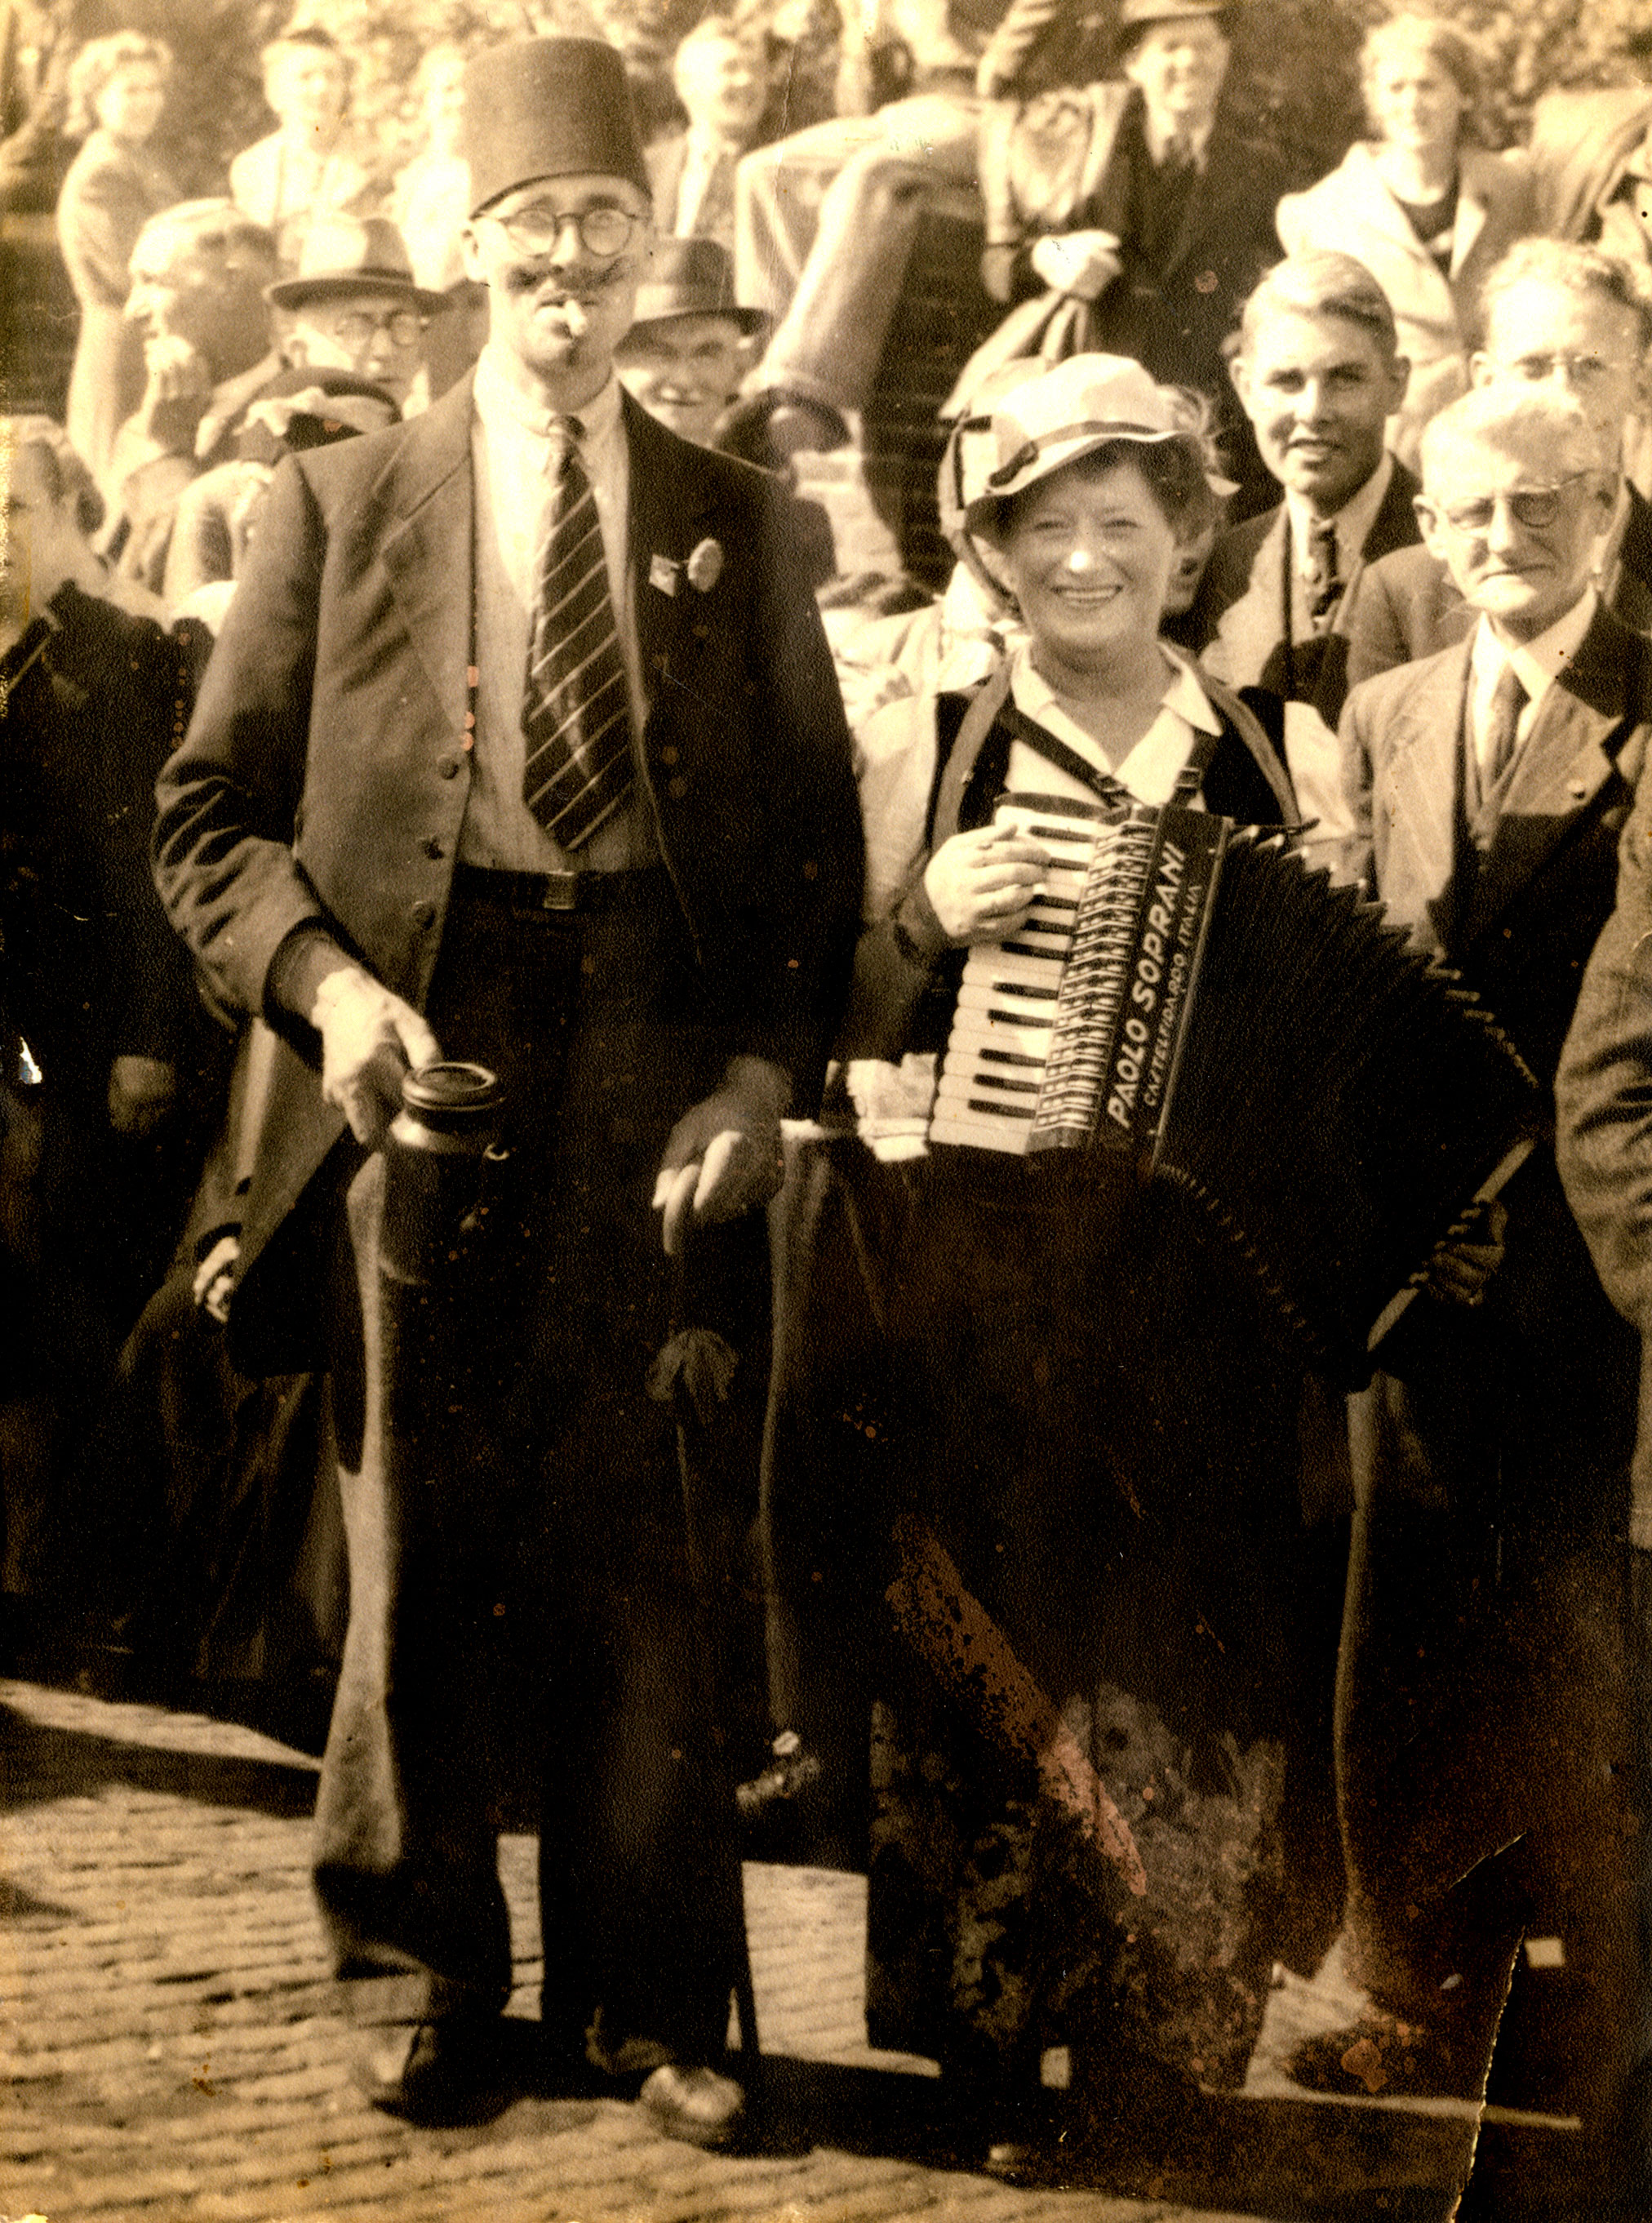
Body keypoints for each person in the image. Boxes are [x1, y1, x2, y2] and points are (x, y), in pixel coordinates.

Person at [152, 33, 863, 2150]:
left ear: (651, 250)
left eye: (602, 229)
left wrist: (754, 1067)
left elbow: (818, 853)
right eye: (527, 232)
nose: (566, 265)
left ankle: (656, 2005)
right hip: (415, 1035)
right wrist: (330, 991)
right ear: (467, 255)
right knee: (417, 1515)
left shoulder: (743, 519)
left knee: (637, 1520)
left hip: (648, 1031)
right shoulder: (340, 498)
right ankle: (422, 1969)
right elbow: (204, 816)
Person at [766, 354, 1339, 2172]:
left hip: (1201, 1280)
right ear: (993, 553)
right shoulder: (918, 742)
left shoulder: (1275, 748)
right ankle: (992, 2045)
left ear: (1186, 540)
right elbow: (824, 1012)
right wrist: (922, 921)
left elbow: (1334, 1028)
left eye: (1124, 522)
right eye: (1046, 529)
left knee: (1187, 1646)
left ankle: (1167, 2050)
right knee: (991, 1634)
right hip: (980, 1264)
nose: (1086, 559)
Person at [1314, 387, 1648, 2200]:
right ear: (1426, 528)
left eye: (1541, 503)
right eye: (1469, 509)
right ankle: (1404, 1977)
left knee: (1579, 1626)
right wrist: (1394, 1202)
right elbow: (1364, 981)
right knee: (1405, 1629)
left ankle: (1588, 2009)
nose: (1502, 536)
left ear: (1607, 507)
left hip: (1589, 1259)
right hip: (1425, 1261)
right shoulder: (1385, 708)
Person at [0, 415, 201, 1642]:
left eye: (14, 512)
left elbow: (148, 868)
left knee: (60, 1300)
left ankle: (51, 1581)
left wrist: (151, 1033)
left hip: (73, 1045)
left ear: (70, 520)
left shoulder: (118, 660)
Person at [951, 0, 1285, 509]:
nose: (1190, 62)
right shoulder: (1080, 146)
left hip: (1207, 410)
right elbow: (997, 267)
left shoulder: (1259, 166)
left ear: (1226, 54)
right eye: (1171, 47)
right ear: (1133, 64)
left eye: (1204, 45)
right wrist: (1049, 256)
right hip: (1080, 399)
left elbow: (1278, 278)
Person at [1342, 238, 1652, 691]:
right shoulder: (1403, 595)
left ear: (1641, 387)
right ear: (1484, 382)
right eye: (1533, 368)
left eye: (1589, 367)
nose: (1561, 395)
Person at [1190, 251, 1416, 853]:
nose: (1313, 411)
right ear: (1244, 386)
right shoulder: (1217, 567)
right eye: (1286, 381)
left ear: (1397, 385)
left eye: (1345, 378)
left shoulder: (1464, 557)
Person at [1275, 12, 1534, 473]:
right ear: (1375, 100)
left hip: (1506, 428)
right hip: (1394, 440)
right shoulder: (1319, 211)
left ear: (1464, 94)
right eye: (1396, 88)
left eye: (1428, 85)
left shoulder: (1513, 184)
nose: (1413, 103)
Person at [104, 199, 281, 591]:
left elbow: (194, 592)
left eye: (153, 282)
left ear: (231, 285)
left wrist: (167, 453)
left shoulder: (294, 422)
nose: (132, 310)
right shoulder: (145, 424)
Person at [55, 29, 179, 479]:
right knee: (118, 490)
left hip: (146, 349)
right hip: (120, 355)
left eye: (153, 89)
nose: (146, 101)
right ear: (95, 98)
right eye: (130, 89)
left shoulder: (139, 160)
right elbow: (139, 272)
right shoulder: (101, 173)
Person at [264, 214, 445, 417]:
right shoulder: (281, 444)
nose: (384, 351)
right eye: (356, 328)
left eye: (402, 325)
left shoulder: (436, 445)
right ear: (301, 356)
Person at [228, 21, 369, 272]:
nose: (321, 88)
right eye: (306, 77)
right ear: (274, 92)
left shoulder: (371, 159)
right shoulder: (251, 167)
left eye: (331, 76)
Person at [388, 42, 483, 399]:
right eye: (446, 90)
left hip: (470, 329)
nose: (457, 101)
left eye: (466, 90)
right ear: (425, 102)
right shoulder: (412, 177)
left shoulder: (488, 170)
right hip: (417, 331)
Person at [614, 233, 768, 448]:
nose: (684, 380)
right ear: (613, 364)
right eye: (659, 354)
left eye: (707, 355)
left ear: (738, 371)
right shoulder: (571, 466)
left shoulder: (758, 477)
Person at [646, 15, 771, 256]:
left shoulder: (781, 172)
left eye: (757, 69)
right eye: (730, 68)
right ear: (685, 84)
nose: (747, 80)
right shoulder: (644, 169)